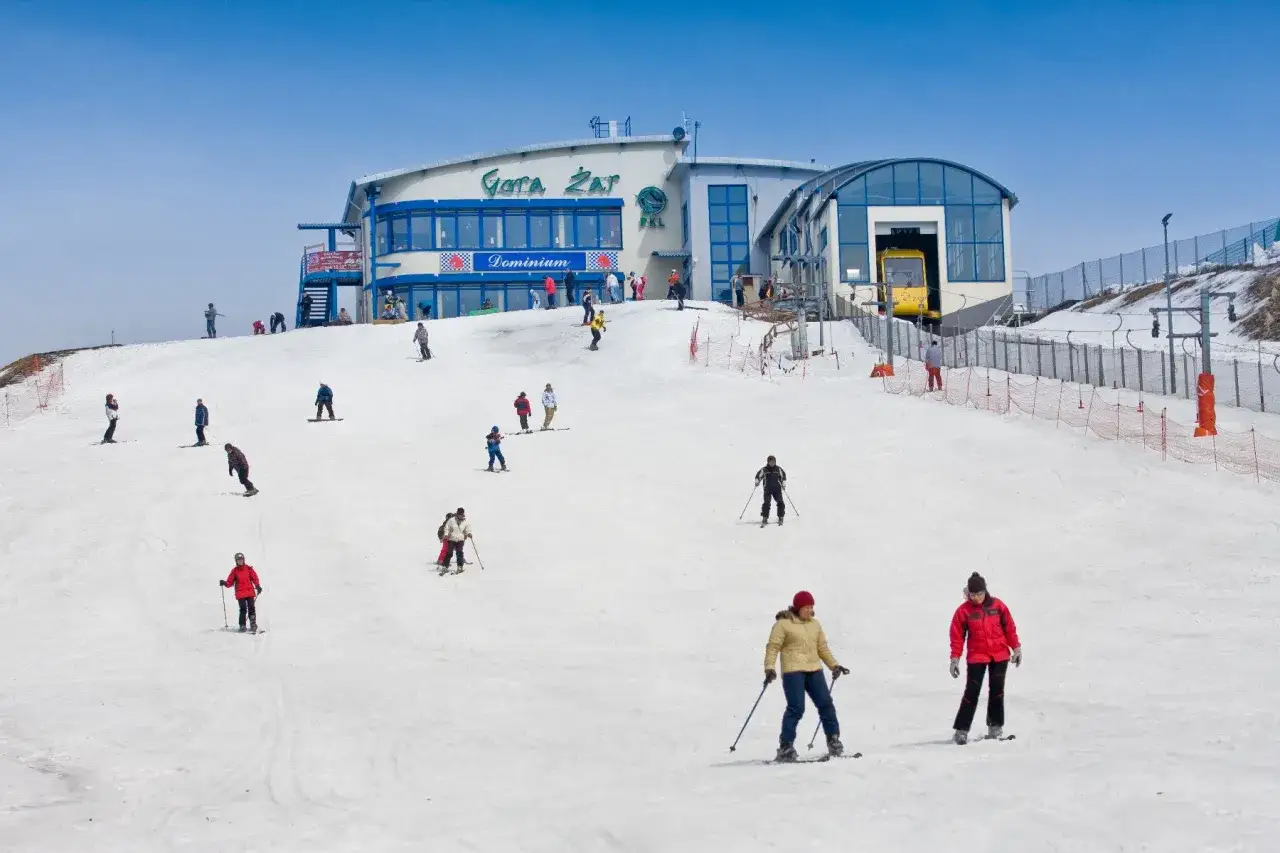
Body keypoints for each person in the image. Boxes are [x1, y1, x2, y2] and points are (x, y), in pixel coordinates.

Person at [764, 590, 849, 761]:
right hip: (793, 671)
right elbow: (773, 647)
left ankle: (834, 740)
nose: (810, 610)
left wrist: (834, 665)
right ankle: (785, 747)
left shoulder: (815, 625)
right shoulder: (783, 624)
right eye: (806, 607)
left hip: (814, 670)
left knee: (826, 704)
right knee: (796, 708)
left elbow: (822, 648)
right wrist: (769, 668)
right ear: (797, 607)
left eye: (811, 607)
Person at [949, 572, 1022, 744]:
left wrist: (1016, 648)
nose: (976, 598)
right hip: (977, 657)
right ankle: (961, 730)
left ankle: (995, 727)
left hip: (1000, 656)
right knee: (971, 693)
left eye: (979, 594)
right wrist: (955, 658)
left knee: (997, 691)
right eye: (973, 595)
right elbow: (957, 636)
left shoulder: (998, 606)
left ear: (985, 591)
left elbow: (1009, 627)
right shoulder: (964, 611)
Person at [219, 552, 262, 632]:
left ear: (244, 560)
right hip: (240, 593)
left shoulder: (249, 569)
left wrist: (257, 586)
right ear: (236, 561)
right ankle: (242, 625)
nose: (240, 561)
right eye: (238, 560)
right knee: (243, 609)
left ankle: (253, 624)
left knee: (251, 608)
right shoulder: (234, 571)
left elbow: (255, 578)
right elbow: (230, 582)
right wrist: (224, 583)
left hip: (249, 592)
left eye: (241, 559)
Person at [754, 455, 787, 526]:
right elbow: (758, 476)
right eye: (770, 462)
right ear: (768, 462)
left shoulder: (778, 469)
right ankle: (765, 517)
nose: (772, 463)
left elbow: (783, 476)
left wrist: (783, 484)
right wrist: (757, 481)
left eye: (773, 462)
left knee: (780, 502)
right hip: (767, 489)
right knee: (766, 503)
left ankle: (781, 517)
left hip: (777, 489)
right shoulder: (764, 469)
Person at [441, 507, 473, 572]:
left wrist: (469, 533)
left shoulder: (465, 522)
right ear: (457, 514)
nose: (461, 515)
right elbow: (446, 527)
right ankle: (444, 566)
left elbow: (467, 529)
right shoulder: (451, 520)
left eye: (462, 514)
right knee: (449, 552)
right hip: (451, 539)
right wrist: (446, 534)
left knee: (459, 552)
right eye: (459, 514)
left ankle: (460, 566)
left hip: (460, 539)